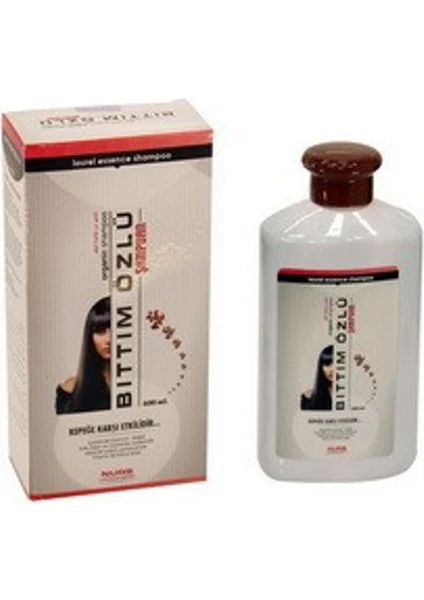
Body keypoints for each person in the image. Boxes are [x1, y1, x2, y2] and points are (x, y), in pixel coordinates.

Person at [55, 296, 111, 414]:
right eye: (100, 331)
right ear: (90, 336)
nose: (108, 339)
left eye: (116, 330)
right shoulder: (70, 389)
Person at [300, 345, 333, 410]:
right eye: (327, 364)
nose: (331, 369)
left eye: (336, 364)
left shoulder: (352, 398)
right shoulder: (309, 397)